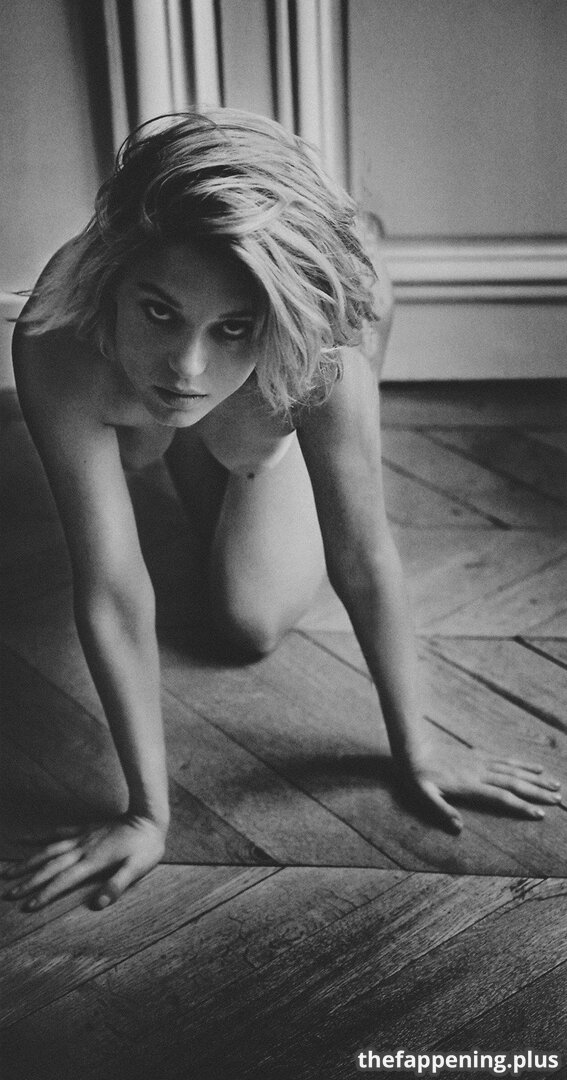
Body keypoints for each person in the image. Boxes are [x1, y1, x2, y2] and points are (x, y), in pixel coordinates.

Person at [6, 109, 561, 912]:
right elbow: (112, 583)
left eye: (230, 327)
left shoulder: (317, 355)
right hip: (158, 374)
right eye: (159, 310)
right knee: (142, 447)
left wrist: (419, 747)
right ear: (115, 280)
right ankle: (193, 423)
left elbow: (362, 556)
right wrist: (147, 814)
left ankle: (348, 278)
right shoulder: (57, 336)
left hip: (286, 368)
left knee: (247, 620)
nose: (188, 365)